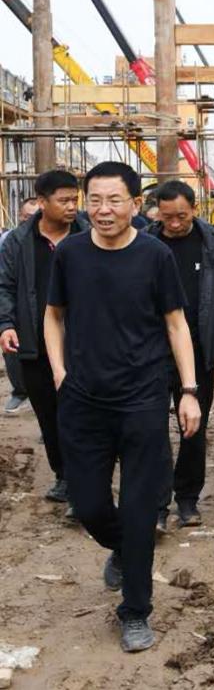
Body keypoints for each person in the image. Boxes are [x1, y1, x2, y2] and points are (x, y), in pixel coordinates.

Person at [45, 161, 201, 653]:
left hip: (142, 399)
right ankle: (124, 548)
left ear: (136, 204)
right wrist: (59, 373)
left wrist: (189, 391)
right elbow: (53, 316)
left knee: (138, 510)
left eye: (114, 200)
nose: (103, 209)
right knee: (89, 504)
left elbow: (176, 324)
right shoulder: (70, 253)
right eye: (94, 200)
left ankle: (135, 610)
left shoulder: (155, 255)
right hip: (83, 400)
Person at [145, 180, 214, 531]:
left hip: (199, 348)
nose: (174, 223)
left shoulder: (213, 243)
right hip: (153, 351)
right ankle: (156, 503)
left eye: (181, 216)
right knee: (151, 429)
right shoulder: (146, 243)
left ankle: (187, 498)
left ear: (194, 210)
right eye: (167, 216)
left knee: (193, 427)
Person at [0, 170, 87, 513]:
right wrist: (6, 324)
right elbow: (5, 286)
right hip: (34, 342)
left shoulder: (88, 234)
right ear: (41, 202)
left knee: (81, 414)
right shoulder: (19, 242)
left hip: (83, 344)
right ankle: (64, 474)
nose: (71, 207)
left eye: (74, 200)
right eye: (63, 201)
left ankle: (81, 484)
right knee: (49, 416)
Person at [1, 198, 42, 415]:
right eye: (26, 217)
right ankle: (20, 391)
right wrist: (6, 322)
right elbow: (4, 282)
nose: (30, 221)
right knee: (14, 351)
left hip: (47, 309)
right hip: (19, 306)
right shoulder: (11, 240)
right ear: (19, 216)